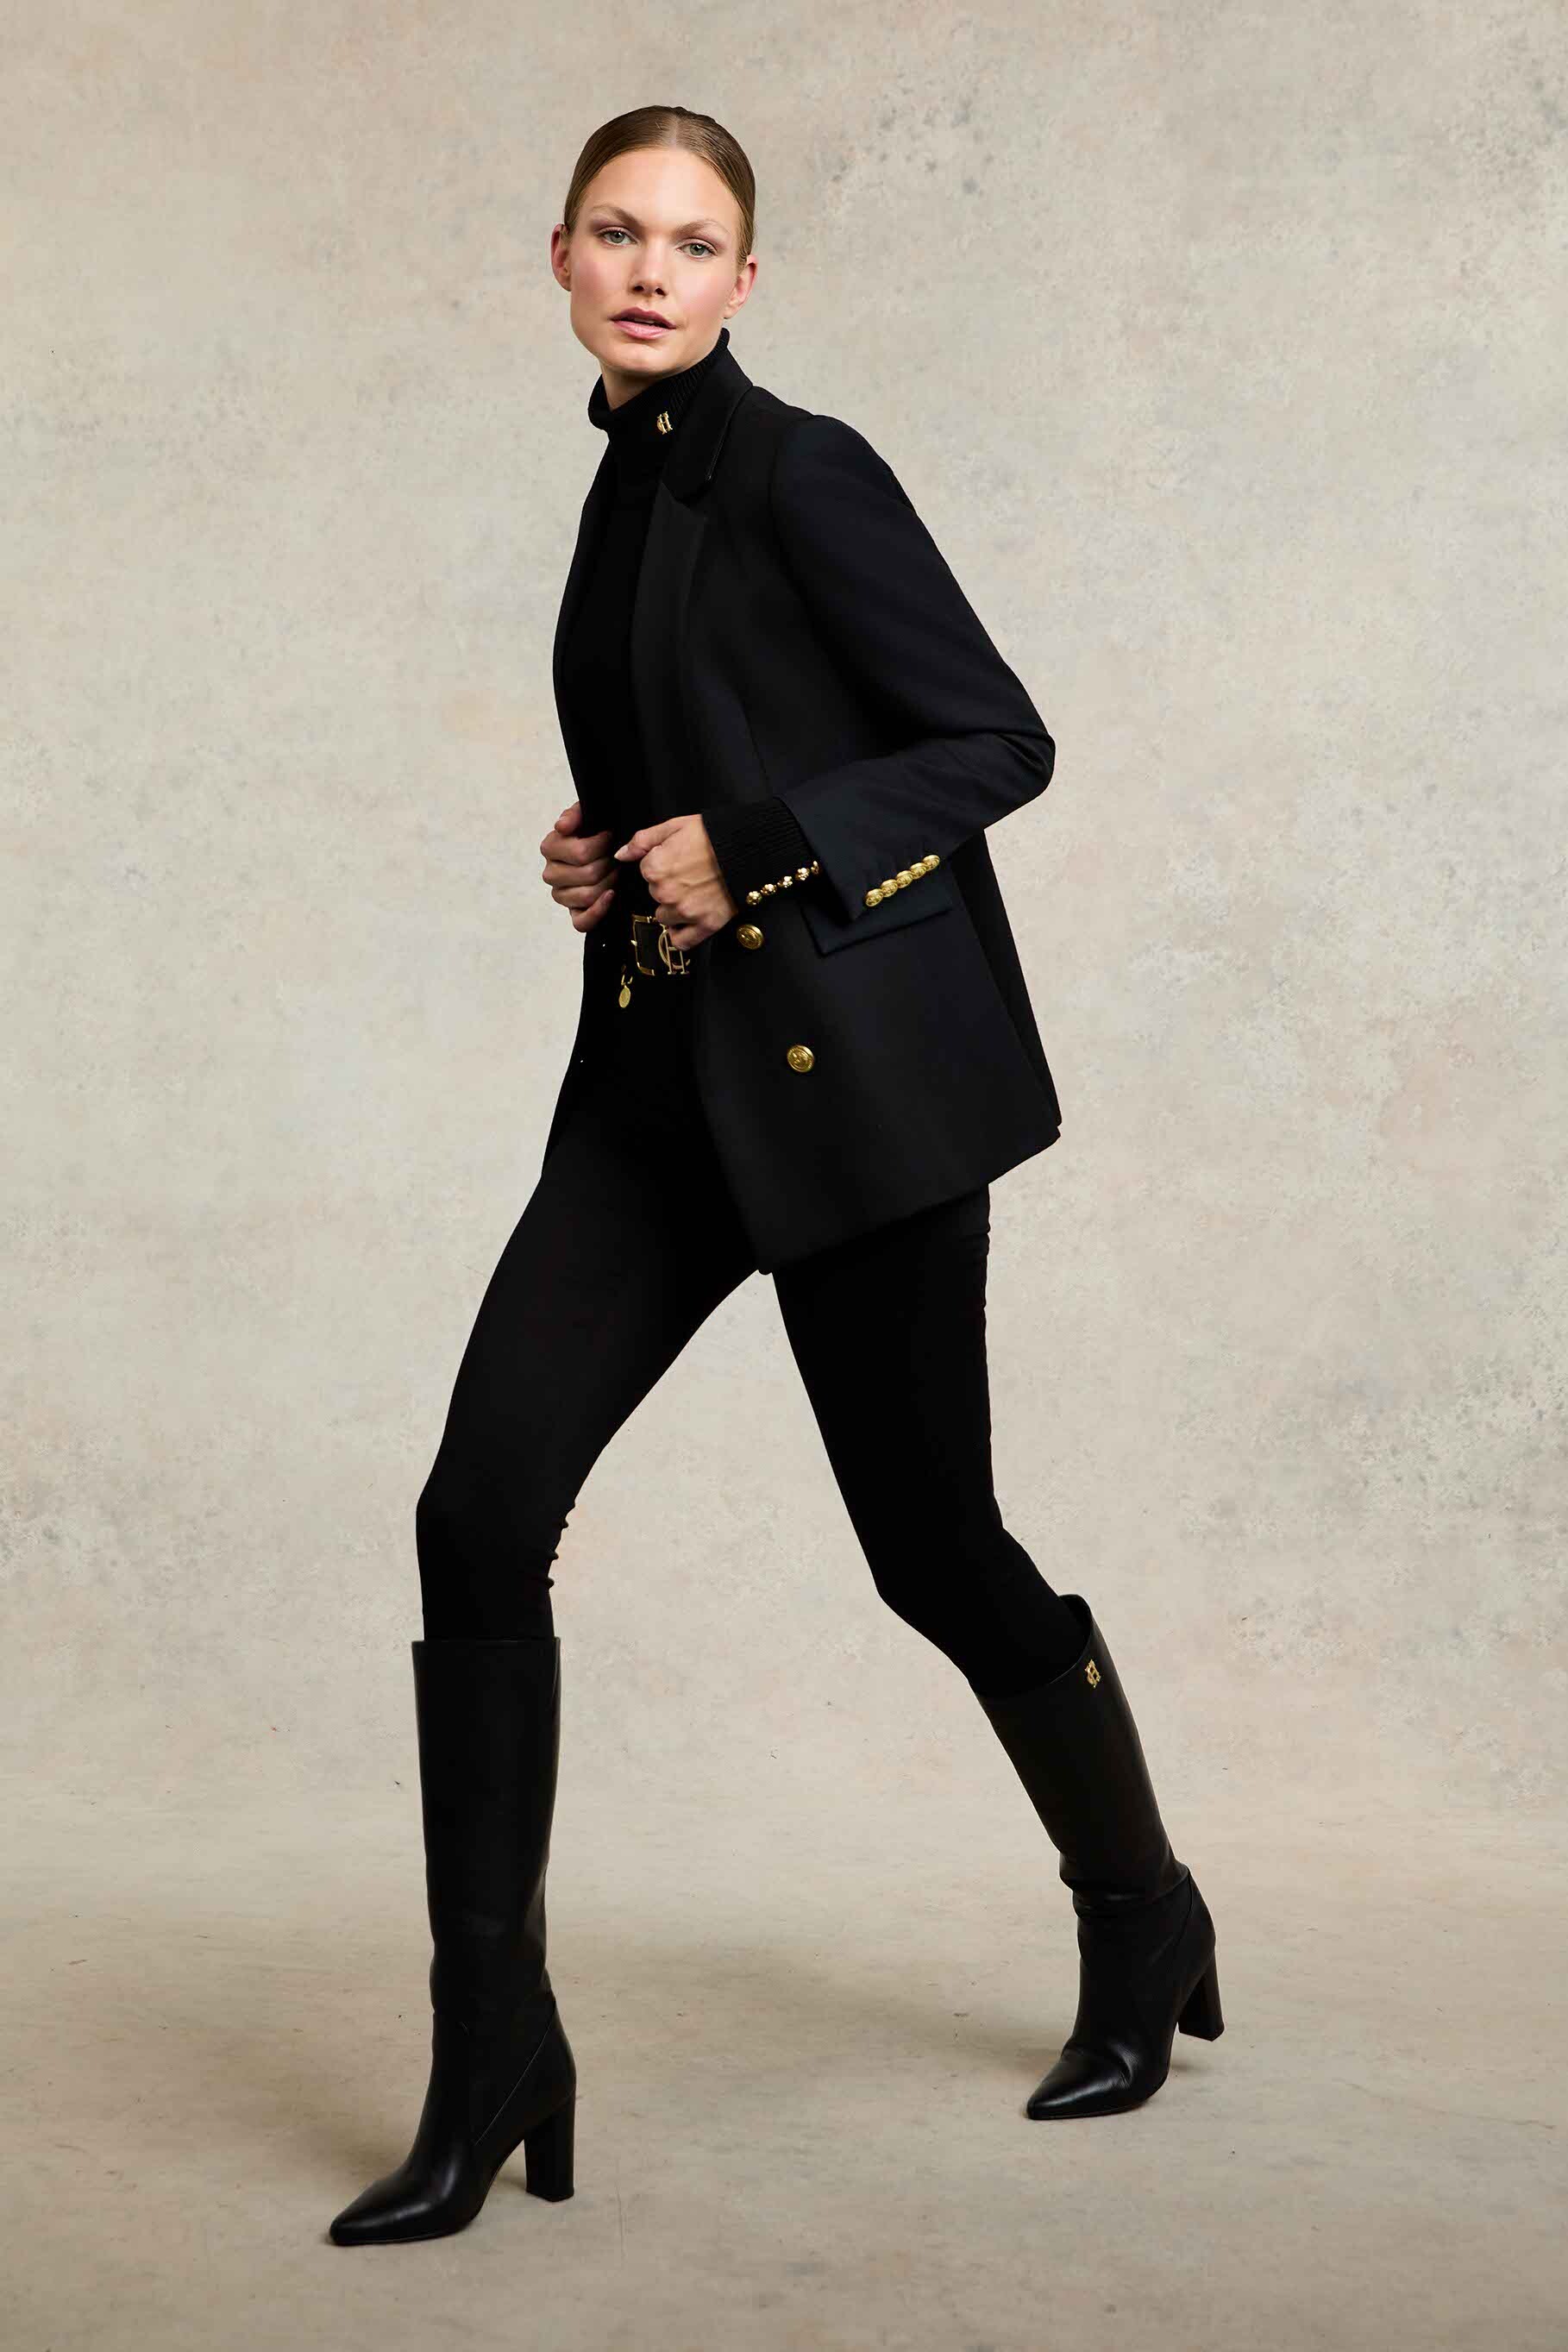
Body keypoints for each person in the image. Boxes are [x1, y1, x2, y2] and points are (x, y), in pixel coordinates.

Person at [328, 104, 1222, 2250]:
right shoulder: (624, 478)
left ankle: (1141, 1907)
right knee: (476, 1509)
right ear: (562, 257)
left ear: (747, 278)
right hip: (656, 1095)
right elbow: (698, 747)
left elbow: (995, 739)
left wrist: (760, 845)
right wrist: (609, 847)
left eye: (694, 239)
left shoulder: (808, 468)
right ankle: (490, 2042)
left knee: (934, 1549)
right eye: (617, 231)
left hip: (849, 1110)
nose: (651, 268)